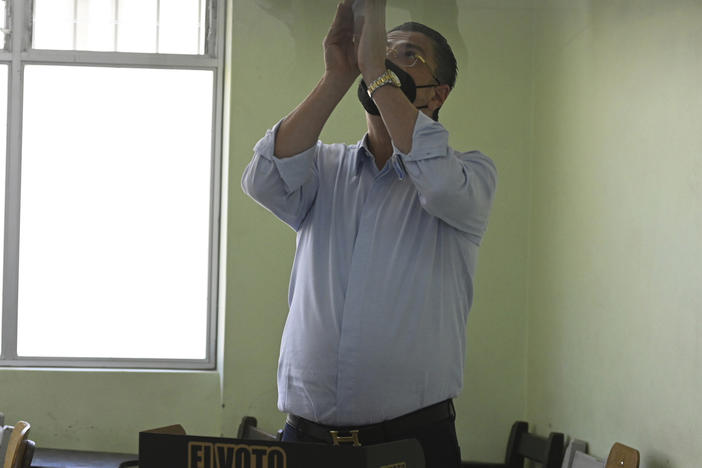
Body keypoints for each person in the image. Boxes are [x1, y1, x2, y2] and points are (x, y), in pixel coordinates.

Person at [241, 0, 496, 466]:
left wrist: (378, 72)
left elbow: (436, 183)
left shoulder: (469, 176)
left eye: (410, 54)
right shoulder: (325, 167)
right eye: (385, 46)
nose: (391, 55)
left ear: (436, 96)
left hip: (412, 444)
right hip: (305, 441)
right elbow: (264, 180)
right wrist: (340, 75)